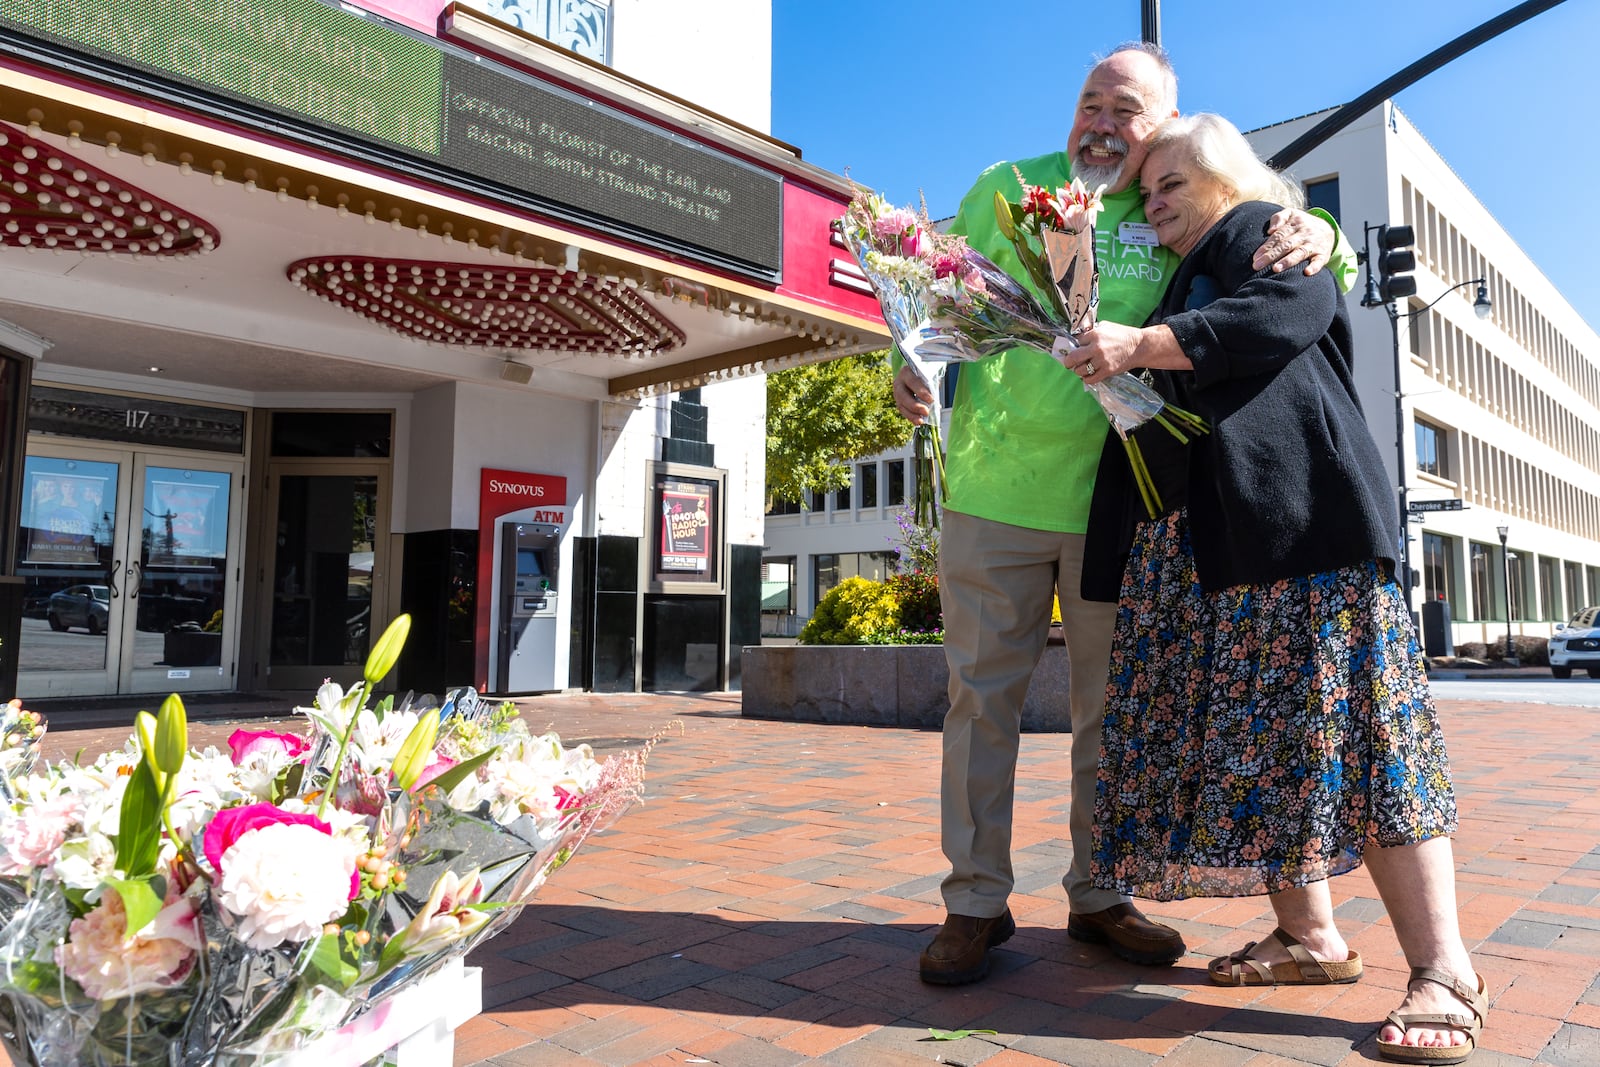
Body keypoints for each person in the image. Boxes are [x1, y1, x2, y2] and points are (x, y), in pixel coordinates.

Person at [898, 42, 1354, 986]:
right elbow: (937, 298)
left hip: (1125, 505)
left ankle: (1100, 891)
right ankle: (974, 901)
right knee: (981, 704)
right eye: (1090, 102)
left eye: (1127, 112)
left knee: (1114, 714)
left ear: (1159, 138)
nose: (1101, 124)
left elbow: (1269, 239)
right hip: (994, 491)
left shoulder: (1170, 206)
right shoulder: (1005, 185)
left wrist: (1320, 230)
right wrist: (911, 357)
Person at [1068, 113, 1486, 1064]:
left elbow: (1285, 318)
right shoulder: (1198, 257)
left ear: (1225, 178)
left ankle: (1447, 969)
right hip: (1225, 546)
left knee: (1363, 742)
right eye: (1148, 191)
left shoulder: (1263, 227)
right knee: (1271, 742)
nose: (1156, 201)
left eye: (1172, 182)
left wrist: (1140, 344)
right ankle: (1312, 936)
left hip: (1305, 530)